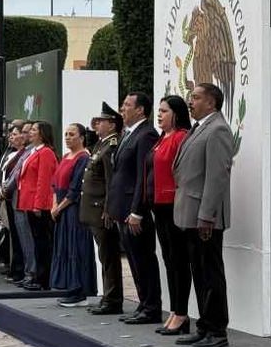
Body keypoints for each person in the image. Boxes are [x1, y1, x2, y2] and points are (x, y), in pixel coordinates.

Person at [173, 84, 234, 347]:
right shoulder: (199, 128)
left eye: (196, 98)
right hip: (190, 212)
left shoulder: (218, 129)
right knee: (198, 272)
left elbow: (217, 176)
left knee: (210, 273)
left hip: (204, 216)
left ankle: (217, 330)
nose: (190, 101)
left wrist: (207, 216)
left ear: (211, 103)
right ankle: (204, 325)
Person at [108, 92, 161, 325]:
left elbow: (144, 175)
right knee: (133, 259)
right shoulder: (128, 134)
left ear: (140, 110)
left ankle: (151, 307)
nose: (122, 109)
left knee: (143, 259)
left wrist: (137, 210)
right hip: (122, 209)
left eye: (127, 105)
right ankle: (143, 303)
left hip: (135, 210)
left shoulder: (146, 134)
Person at [149, 95, 191, 334]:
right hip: (159, 205)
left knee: (178, 261)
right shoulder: (162, 138)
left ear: (176, 113)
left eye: (164, 111)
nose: (160, 115)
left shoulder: (180, 137)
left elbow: (181, 173)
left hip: (173, 204)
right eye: (159, 111)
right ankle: (175, 310)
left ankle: (182, 313)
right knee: (169, 259)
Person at [81, 103, 123, 315]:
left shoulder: (111, 146)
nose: (97, 124)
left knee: (108, 256)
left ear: (112, 124)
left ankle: (112, 299)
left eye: (102, 121)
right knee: (104, 255)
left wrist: (109, 209)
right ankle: (109, 296)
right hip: (93, 209)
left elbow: (110, 182)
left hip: (101, 209)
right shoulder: (101, 144)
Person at [51, 124, 98, 307]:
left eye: (72, 134)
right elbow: (55, 183)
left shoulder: (83, 158)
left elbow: (75, 189)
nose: (67, 137)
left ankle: (79, 290)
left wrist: (59, 207)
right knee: (65, 247)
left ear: (82, 137)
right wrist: (54, 204)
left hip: (74, 211)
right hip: (62, 209)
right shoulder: (65, 157)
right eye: (66, 134)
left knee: (76, 249)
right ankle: (68, 286)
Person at [15, 121, 57, 289]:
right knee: (36, 241)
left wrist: (38, 205)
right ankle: (38, 276)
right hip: (29, 201)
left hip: (39, 204)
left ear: (42, 134)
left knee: (42, 243)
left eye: (33, 130)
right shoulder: (34, 151)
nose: (30, 132)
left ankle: (43, 279)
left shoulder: (45, 152)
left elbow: (44, 180)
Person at [0, 122, 30, 280]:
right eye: (12, 134)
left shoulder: (26, 153)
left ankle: (21, 269)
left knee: (20, 236)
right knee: (14, 236)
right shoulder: (11, 153)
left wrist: (6, 188)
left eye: (16, 134)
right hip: (8, 197)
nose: (12, 137)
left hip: (18, 197)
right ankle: (15, 267)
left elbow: (16, 177)